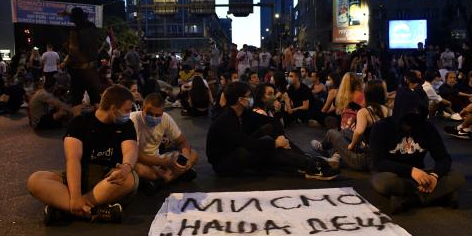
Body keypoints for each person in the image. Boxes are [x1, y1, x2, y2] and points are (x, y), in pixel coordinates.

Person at [27, 85, 139, 225]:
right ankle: (94, 212)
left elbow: (131, 149)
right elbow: (73, 159)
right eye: (127, 110)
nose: (129, 114)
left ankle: (68, 209)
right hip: (79, 176)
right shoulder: (80, 123)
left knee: (129, 179)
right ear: (113, 108)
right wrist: (75, 195)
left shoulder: (126, 125)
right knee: (35, 180)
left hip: (107, 179)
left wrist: (126, 167)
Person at [206, 81, 337, 179]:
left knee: (269, 132)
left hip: (240, 148)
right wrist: (275, 144)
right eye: (248, 96)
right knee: (262, 147)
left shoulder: (244, 113)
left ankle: (304, 160)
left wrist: (280, 137)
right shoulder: (225, 119)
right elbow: (245, 142)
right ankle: (308, 164)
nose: (251, 98)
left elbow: (271, 122)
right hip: (224, 161)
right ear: (240, 100)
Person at [370, 88, 465, 214]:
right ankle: (440, 196)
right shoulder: (381, 127)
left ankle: (407, 200)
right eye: (407, 119)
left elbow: (444, 158)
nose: (411, 124)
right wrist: (410, 171)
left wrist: (434, 176)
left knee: (458, 177)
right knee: (384, 182)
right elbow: (378, 163)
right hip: (395, 174)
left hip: (422, 175)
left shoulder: (426, 126)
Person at [311, 80, 391, 171]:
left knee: (331, 132)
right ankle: (336, 155)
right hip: (382, 157)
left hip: (363, 160)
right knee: (345, 132)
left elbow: (359, 131)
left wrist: (351, 145)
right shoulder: (389, 110)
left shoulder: (364, 112)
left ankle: (324, 148)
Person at [130, 93, 199, 194]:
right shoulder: (133, 120)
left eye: (158, 115)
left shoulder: (165, 118)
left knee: (193, 155)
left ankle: (161, 182)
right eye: (150, 113)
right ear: (142, 108)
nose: (154, 117)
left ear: (163, 112)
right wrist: (165, 163)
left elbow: (183, 142)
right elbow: (136, 155)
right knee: (137, 169)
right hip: (140, 160)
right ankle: (175, 176)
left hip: (158, 160)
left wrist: (184, 160)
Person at [60, 7, 104, 111]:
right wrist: (67, 13)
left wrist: (64, 63)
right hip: (92, 69)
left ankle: (77, 124)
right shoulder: (93, 27)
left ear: (74, 19)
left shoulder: (75, 30)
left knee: (76, 99)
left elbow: (73, 51)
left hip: (78, 70)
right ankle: (98, 122)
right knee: (95, 97)